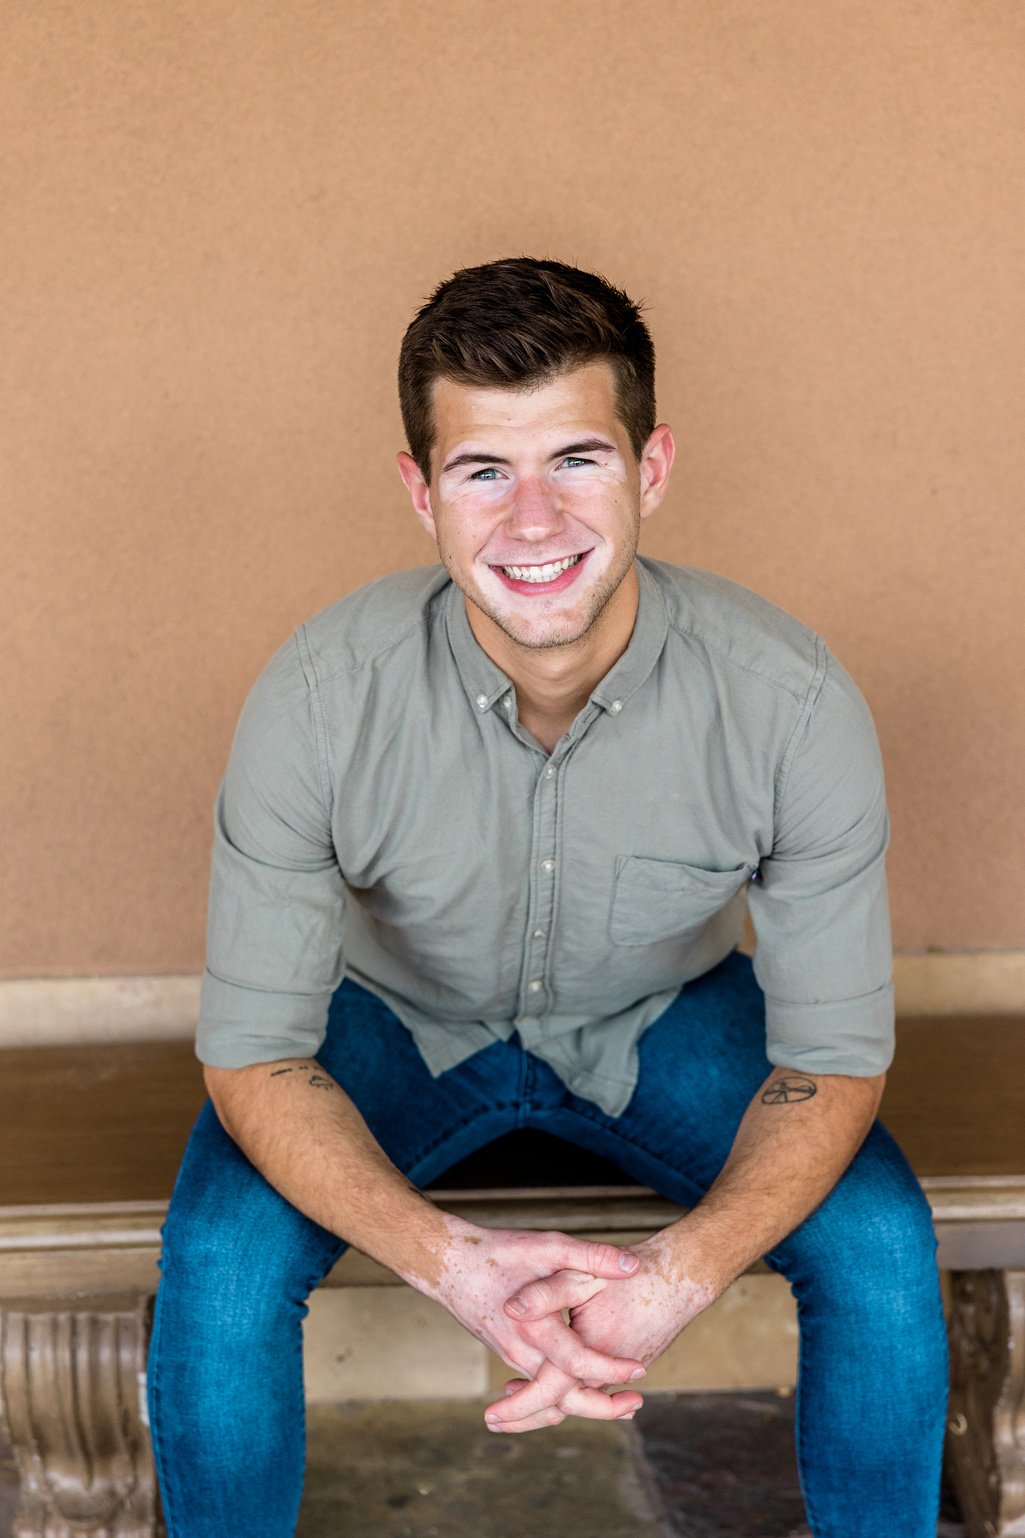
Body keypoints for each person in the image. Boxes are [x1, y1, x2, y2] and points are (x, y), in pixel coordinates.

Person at [147, 257, 948, 1536]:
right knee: (224, 1264)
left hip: (660, 1017)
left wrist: (679, 1274)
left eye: (574, 459)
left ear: (651, 468)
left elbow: (835, 1056)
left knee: (881, 1250)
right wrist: (449, 1264)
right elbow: (253, 1051)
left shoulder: (790, 703)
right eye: (482, 470)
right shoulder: (313, 696)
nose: (532, 520)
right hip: (394, 1024)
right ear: (420, 492)